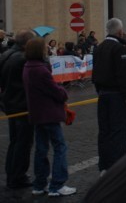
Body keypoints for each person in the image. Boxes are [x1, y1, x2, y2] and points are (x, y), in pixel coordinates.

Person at [23, 38, 76, 197]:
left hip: (37, 114)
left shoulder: (27, 67)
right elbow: (56, 91)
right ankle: (57, 184)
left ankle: (39, 184)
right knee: (59, 147)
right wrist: (63, 93)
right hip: (49, 114)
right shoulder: (40, 70)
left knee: (41, 149)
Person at [92, 18, 126, 174]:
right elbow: (122, 76)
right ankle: (118, 168)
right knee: (118, 131)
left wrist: (99, 91)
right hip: (116, 95)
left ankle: (104, 165)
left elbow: (94, 74)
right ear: (119, 32)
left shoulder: (98, 48)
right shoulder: (119, 49)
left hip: (102, 94)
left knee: (104, 131)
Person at [0, 29, 36, 189]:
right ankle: (18, 176)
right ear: (28, 43)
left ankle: (12, 173)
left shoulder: (6, 55)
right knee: (23, 143)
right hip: (22, 105)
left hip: (10, 104)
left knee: (15, 142)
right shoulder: (22, 59)